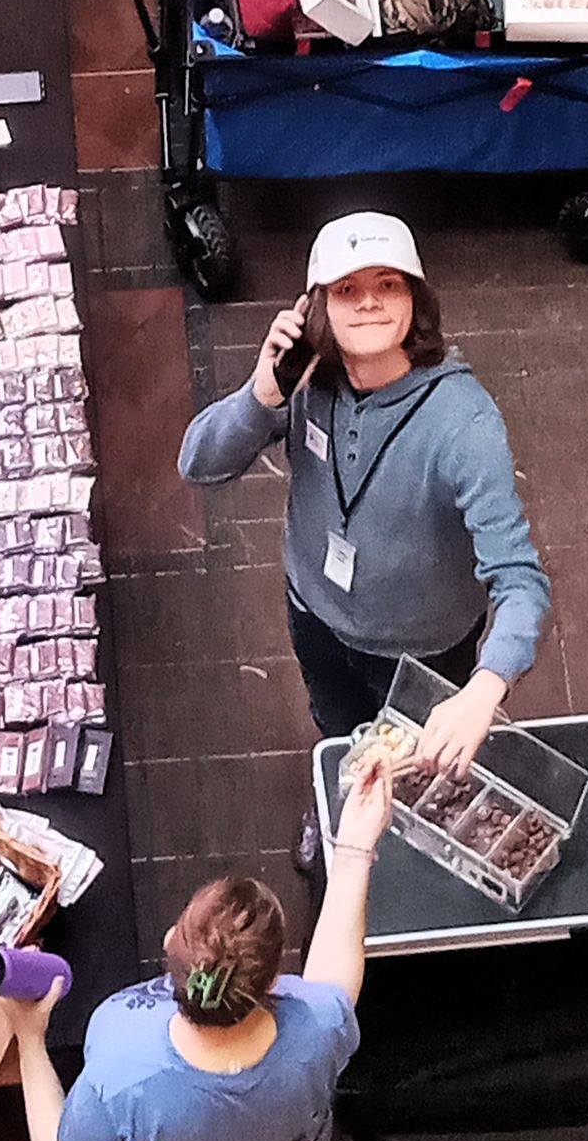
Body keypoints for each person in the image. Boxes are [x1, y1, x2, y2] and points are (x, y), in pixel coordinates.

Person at [7, 752, 395, 1141]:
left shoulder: (122, 1069)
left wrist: (29, 1040)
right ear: (270, 980)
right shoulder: (317, 1028)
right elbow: (337, 975)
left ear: (173, 947)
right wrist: (355, 849)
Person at [178, 211, 550, 869]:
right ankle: (339, 798)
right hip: (315, 613)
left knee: (420, 766)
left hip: (423, 646)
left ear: (416, 301)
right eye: (347, 289)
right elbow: (198, 462)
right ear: (315, 309)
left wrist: (484, 688)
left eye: (388, 284)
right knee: (337, 723)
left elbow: (520, 580)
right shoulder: (304, 382)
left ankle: (398, 843)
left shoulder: (464, 423)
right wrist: (263, 391)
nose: (369, 301)